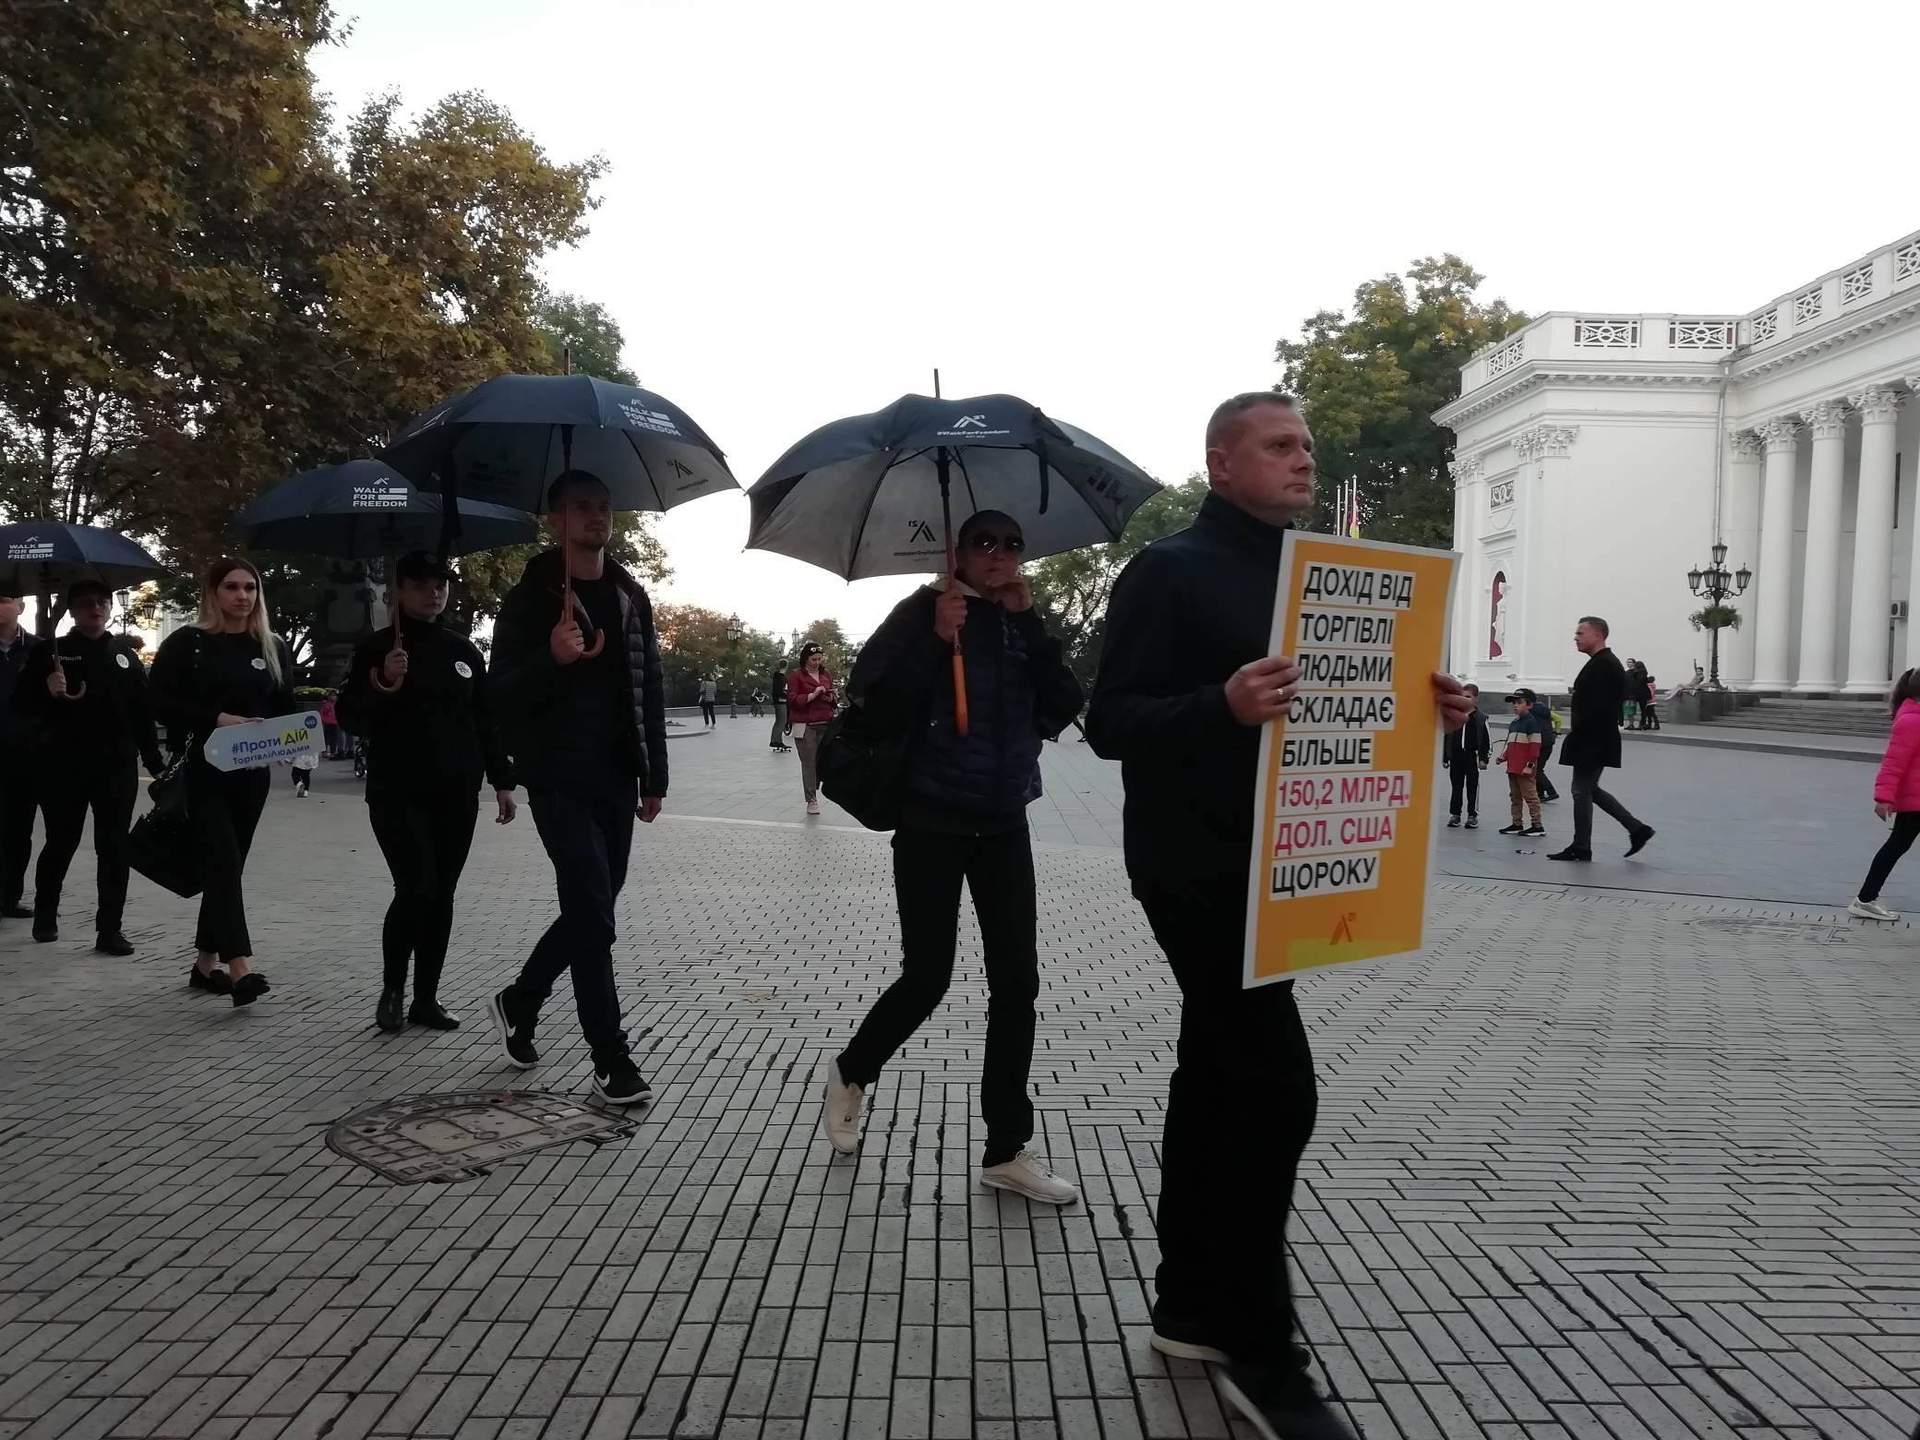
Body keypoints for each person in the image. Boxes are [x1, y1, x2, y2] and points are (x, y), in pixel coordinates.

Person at [1085, 392, 1475, 1440]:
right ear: (1222, 463)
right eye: (1281, 445)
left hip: (1292, 871)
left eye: (1307, 444)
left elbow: (1356, 705)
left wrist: (1429, 707)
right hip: (1198, 868)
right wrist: (1221, 703)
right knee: (1274, 1093)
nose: (1304, 459)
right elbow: (1108, 721)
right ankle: (1264, 1353)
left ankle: (1187, 1308)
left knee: (1218, 1080)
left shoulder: (1334, 580)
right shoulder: (1168, 571)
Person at [822, 509, 1084, 1207]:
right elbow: (871, 706)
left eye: (1012, 545)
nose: (1001, 555)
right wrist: (936, 643)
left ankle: (1005, 1150)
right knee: (929, 976)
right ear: (958, 552)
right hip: (931, 820)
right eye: (985, 543)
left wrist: (1030, 623)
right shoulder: (919, 614)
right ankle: (851, 1071)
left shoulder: (1016, 621)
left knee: (1016, 983)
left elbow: (1062, 709)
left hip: (1003, 823)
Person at [487, 470, 667, 1105]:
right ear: (555, 520)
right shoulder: (530, 597)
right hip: (557, 775)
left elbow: (649, 688)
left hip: (617, 775)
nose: (597, 516)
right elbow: (499, 688)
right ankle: (610, 1059)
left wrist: (654, 776)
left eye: (603, 506)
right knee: (593, 913)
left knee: (596, 907)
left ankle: (521, 996)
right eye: (582, 508)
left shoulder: (628, 594)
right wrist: (550, 659)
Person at [339, 550, 518, 1032]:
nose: (433, 592)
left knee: (442, 895)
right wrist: (383, 680)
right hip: (398, 791)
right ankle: (392, 989)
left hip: (456, 793)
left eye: (440, 583)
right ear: (400, 590)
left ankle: (427, 998)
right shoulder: (377, 649)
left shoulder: (463, 652)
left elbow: (484, 721)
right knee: (415, 888)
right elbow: (352, 716)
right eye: (421, 584)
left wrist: (503, 781)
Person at [150, 558, 294, 1004]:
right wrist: (218, 719)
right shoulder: (187, 643)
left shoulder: (271, 646)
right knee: (225, 862)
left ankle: (203, 966)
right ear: (213, 592)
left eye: (250, 588)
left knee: (225, 868)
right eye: (232, 587)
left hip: (252, 775)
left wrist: (292, 736)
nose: (242, 596)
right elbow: (156, 701)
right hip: (203, 770)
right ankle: (240, 969)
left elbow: (284, 708)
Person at [14, 579, 165, 953]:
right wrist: (44, 688)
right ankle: (46, 914)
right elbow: (22, 706)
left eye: (100, 602)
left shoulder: (125, 655)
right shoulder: (51, 653)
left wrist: (154, 761)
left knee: (114, 847)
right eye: (85, 604)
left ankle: (109, 928)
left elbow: (142, 714)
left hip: (116, 766)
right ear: (72, 610)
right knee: (61, 842)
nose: (94, 609)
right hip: (64, 765)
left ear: (110, 608)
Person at [1552, 616, 1656, 863]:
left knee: (1580, 790)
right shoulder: (1602, 662)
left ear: (1598, 635)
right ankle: (1637, 829)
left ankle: (1581, 846)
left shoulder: (1604, 664)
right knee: (1589, 790)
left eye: (1580, 633)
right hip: (1595, 737)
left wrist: (1580, 738)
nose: (1575, 637)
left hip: (1593, 739)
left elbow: (1599, 708)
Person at [1849, 668, 1920, 922]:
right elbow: (1894, 763)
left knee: (1896, 846)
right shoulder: (1911, 721)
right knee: (1896, 846)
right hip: (1915, 801)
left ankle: (1866, 899)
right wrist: (1884, 798)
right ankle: (1865, 900)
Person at [0, 593, 38, 919]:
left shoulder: (39, 649)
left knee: (18, 830)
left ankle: (9, 896)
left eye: (3, 600)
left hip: (25, 755)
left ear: (20, 607)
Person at [786, 642, 837, 816]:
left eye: (819, 659)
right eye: (813, 659)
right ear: (805, 658)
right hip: (805, 725)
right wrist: (812, 695)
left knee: (823, 761)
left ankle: (815, 786)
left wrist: (831, 696)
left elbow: (834, 700)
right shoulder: (796, 676)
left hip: (825, 722)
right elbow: (792, 699)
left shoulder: (826, 674)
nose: (816, 662)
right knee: (809, 764)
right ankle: (811, 800)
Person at [1496, 692, 1546, 837]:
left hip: (1525, 768)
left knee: (1530, 796)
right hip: (1512, 767)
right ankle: (1517, 823)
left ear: (1529, 705)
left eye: (1519, 702)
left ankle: (1537, 825)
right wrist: (1503, 757)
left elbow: (1535, 747)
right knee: (1515, 796)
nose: (1515, 705)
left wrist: (1529, 765)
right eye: (1514, 703)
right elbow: (1511, 746)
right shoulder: (1514, 724)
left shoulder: (1532, 723)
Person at [1443, 683, 1489, 828]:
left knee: (1472, 786)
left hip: (1472, 756)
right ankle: (1455, 814)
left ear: (1475, 699)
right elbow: (1447, 736)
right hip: (1456, 757)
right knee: (1456, 786)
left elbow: (1486, 740)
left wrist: (1483, 758)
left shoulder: (1480, 718)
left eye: (1468, 697)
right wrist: (1445, 756)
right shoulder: (1455, 716)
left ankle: (1472, 815)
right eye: (1462, 697)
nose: (1464, 700)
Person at [1520, 687, 1560, 802]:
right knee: (1538, 769)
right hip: (1548, 743)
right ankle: (1540, 794)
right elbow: (1558, 718)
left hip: (1539, 743)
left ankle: (1552, 792)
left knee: (1536, 770)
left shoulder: (1528, 712)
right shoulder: (1544, 709)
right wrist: (1556, 732)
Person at [768, 658, 790, 751]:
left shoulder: (778, 676)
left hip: (779, 700)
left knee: (779, 721)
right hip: (781, 701)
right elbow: (779, 690)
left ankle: (777, 740)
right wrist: (786, 693)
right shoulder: (780, 677)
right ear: (786, 666)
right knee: (782, 721)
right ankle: (775, 741)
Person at [319, 690, 341, 758]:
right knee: (326, 738)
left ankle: (333, 752)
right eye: (332, 695)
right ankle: (324, 751)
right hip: (327, 723)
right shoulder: (326, 704)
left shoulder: (337, 705)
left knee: (333, 739)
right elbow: (322, 713)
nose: (333, 697)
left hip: (335, 724)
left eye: (334, 695)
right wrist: (323, 720)